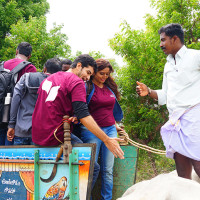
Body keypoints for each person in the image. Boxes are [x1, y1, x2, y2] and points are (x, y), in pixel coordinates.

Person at [31, 54, 124, 190]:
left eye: (90, 75)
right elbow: (84, 115)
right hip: (56, 135)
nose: (87, 78)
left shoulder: (50, 78)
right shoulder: (76, 82)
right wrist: (106, 139)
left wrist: (72, 115)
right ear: (79, 65)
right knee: (93, 167)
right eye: (88, 72)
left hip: (37, 134)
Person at [136, 23, 200, 180]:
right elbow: (165, 95)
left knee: (198, 165)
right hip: (175, 122)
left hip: (195, 118)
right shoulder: (168, 64)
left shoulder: (195, 56)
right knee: (182, 173)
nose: (160, 44)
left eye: (163, 40)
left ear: (175, 38)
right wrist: (149, 92)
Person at [80, 58, 124, 200]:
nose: (105, 77)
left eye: (107, 74)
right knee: (91, 168)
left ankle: (107, 198)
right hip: (91, 131)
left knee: (108, 170)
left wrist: (117, 127)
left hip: (110, 130)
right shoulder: (86, 87)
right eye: (102, 74)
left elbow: (109, 110)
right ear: (94, 72)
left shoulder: (109, 88)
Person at [7, 58, 61, 145]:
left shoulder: (26, 77)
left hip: (21, 130)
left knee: (18, 158)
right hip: (42, 133)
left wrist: (11, 125)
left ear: (45, 69)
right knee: (38, 158)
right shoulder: (58, 84)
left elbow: (15, 100)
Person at [0, 42, 37, 146]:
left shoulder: (2, 65)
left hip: (1, 108)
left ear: (16, 51)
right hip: (16, 113)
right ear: (29, 56)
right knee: (10, 143)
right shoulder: (30, 68)